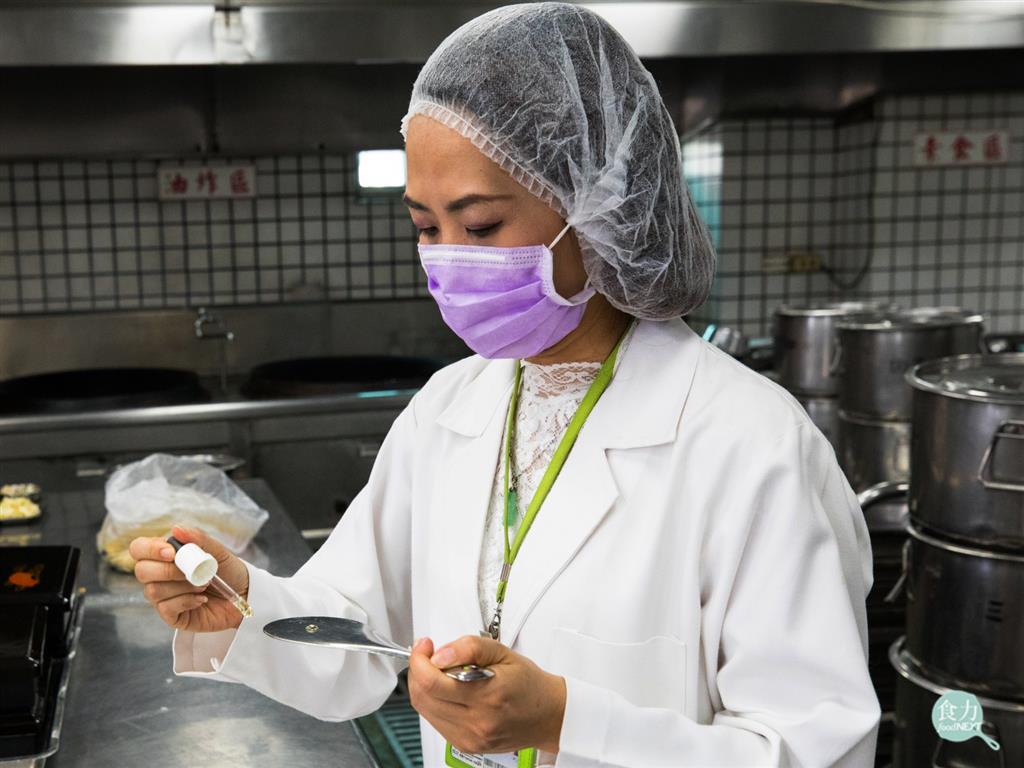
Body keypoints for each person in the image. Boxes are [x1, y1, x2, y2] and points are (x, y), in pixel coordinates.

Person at [131, 4, 880, 766]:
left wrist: (570, 722)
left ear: (598, 202)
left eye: (481, 225)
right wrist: (241, 603)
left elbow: (816, 748)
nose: (449, 260)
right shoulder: (448, 411)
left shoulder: (751, 446)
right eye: (426, 228)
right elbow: (356, 627)